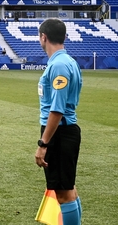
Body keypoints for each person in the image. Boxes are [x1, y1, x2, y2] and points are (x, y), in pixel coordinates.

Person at [35, 18, 83, 225]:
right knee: (68, 189)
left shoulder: (59, 65)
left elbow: (57, 110)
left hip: (59, 133)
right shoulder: (67, 61)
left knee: (63, 194)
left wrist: (43, 144)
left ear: (43, 37)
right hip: (64, 131)